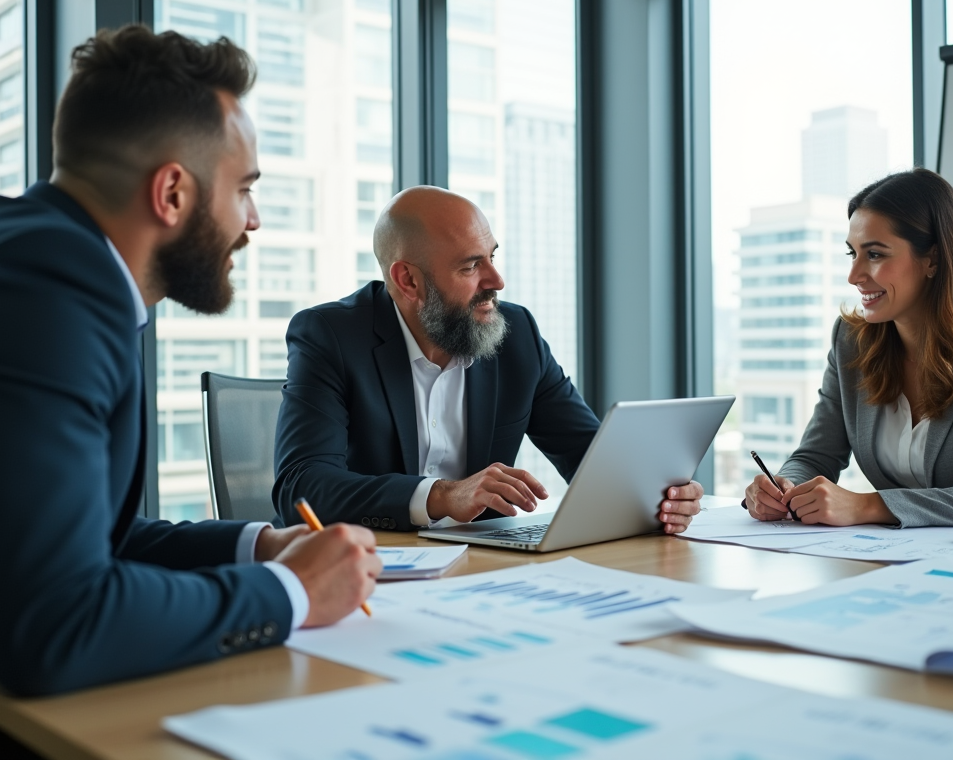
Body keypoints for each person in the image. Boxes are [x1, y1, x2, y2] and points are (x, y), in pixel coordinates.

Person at [0, 26, 381, 755]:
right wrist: (292, 595)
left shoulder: (26, 255)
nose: (253, 221)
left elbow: (88, 542)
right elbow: (56, 623)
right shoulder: (43, 293)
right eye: (244, 190)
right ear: (172, 191)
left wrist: (258, 547)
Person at [273, 186, 704, 533]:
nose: (496, 280)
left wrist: (659, 496)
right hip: (366, 573)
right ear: (408, 280)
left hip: (484, 573)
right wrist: (441, 496)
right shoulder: (330, 336)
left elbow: (593, 460)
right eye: (470, 266)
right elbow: (302, 489)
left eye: (492, 256)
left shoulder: (516, 335)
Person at [743, 168, 953, 528]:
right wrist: (784, 486)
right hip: (899, 560)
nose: (854, 275)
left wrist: (870, 507)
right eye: (852, 254)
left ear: (932, 259)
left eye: (874, 254)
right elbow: (816, 455)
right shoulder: (850, 341)